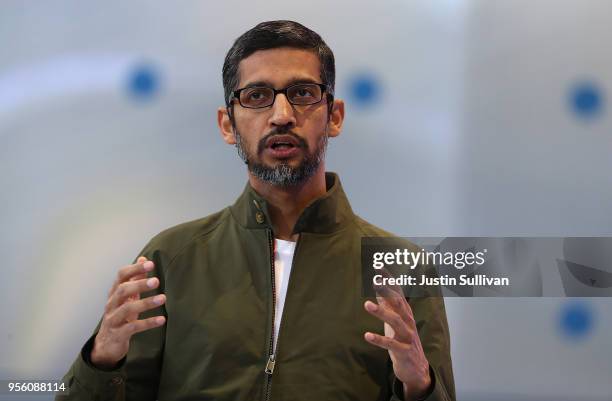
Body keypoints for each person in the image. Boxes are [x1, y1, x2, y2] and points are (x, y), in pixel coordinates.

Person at [58, 20, 455, 401]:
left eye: (302, 93)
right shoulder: (171, 258)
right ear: (227, 124)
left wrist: (419, 387)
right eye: (257, 96)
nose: (282, 115)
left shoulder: (403, 269)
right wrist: (102, 360)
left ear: (334, 117)